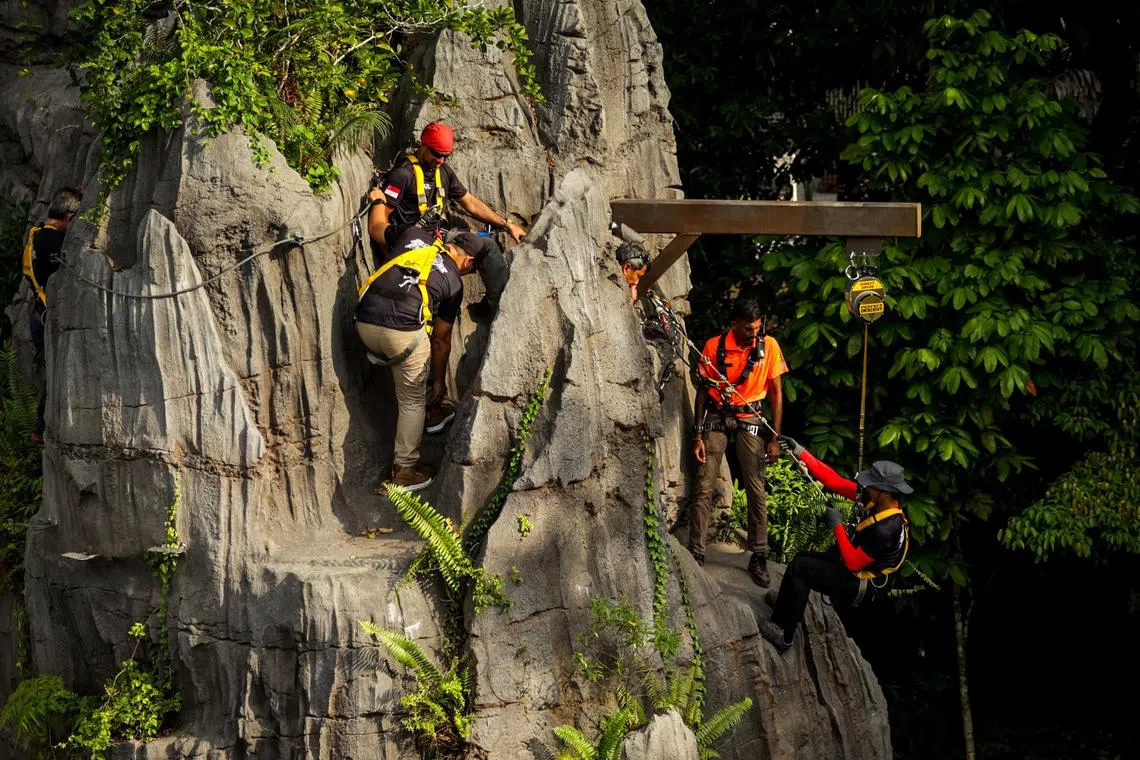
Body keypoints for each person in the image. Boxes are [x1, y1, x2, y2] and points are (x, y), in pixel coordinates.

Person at [355, 226, 492, 491]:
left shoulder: (413, 235)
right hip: (399, 334)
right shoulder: (454, 283)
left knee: (409, 350)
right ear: (467, 262)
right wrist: (439, 383)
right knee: (412, 399)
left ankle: (426, 415)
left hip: (363, 321)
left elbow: (378, 229)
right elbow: (441, 340)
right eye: (472, 270)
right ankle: (404, 470)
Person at [759, 435, 912, 653]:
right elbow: (834, 482)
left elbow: (852, 563)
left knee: (802, 569)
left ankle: (784, 634)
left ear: (885, 492)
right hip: (856, 567)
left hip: (862, 585)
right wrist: (800, 451)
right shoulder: (875, 500)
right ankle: (787, 605)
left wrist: (837, 525)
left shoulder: (887, 529)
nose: (866, 487)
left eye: (872, 485)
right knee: (801, 558)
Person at [366, 121, 524, 310]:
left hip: (439, 237)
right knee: (442, 274)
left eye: (445, 156)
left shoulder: (443, 172)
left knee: (487, 246)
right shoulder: (403, 175)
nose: (440, 160)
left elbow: (470, 203)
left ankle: (495, 309)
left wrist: (507, 224)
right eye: (436, 154)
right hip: (413, 244)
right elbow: (381, 221)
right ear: (423, 145)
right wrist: (390, 259)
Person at [689, 298, 788, 586]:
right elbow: (703, 393)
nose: (754, 334)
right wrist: (698, 435)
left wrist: (774, 438)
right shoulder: (713, 347)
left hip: (751, 415)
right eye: (748, 329)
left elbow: (776, 394)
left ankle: (759, 555)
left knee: (756, 487)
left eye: (758, 328)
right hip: (717, 414)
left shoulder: (769, 346)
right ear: (734, 324)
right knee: (704, 484)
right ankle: (696, 551)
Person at [22, 186, 82, 443]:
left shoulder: (36, 234)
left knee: (49, 372)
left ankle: (41, 429)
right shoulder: (57, 242)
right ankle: (42, 428)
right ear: (70, 218)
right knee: (56, 374)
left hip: (37, 314)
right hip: (50, 317)